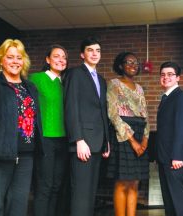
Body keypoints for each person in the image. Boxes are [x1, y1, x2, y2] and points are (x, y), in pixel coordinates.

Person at [0, 38, 43, 216]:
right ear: (1, 60)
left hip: (25, 156)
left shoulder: (30, 87)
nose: (15, 61)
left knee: (18, 207)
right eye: (10, 57)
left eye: (18, 57)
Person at [63, 36, 110, 216]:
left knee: (91, 192)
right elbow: (71, 107)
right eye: (90, 50)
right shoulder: (75, 74)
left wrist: (106, 140)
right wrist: (78, 140)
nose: (94, 54)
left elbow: (102, 112)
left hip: (98, 143)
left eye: (98, 50)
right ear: (82, 54)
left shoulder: (101, 79)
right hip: (83, 143)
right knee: (81, 193)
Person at [106, 52, 150, 216]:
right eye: (128, 62)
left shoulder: (139, 88)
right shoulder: (114, 84)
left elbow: (145, 114)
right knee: (122, 182)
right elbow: (112, 114)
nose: (133, 65)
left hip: (140, 133)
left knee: (134, 182)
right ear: (120, 65)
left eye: (135, 62)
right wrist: (133, 141)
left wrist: (145, 140)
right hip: (123, 135)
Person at [29, 44, 69, 216]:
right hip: (45, 139)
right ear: (48, 59)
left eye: (64, 57)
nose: (61, 60)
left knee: (56, 186)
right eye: (56, 56)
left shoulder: (66, 83)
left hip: (64, 140)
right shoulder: (36, 78)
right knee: (44, 186)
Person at [156, 61, 183, 216]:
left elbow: (182, 128)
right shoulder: (165, 98)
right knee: (169, 201)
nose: (166, 77)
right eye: (163, 74)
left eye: (170, 74)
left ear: (178, 77)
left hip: (175, 158)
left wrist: (177, 156)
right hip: (165, 156)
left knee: (180, 200)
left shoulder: (181, 97)